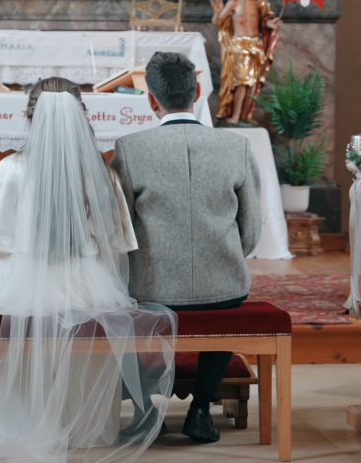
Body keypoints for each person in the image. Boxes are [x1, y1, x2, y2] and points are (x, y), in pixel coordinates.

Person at [0, 77, 177, 461]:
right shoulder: (105, 174)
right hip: (91, 283)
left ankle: (16, 419)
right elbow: (121, 243)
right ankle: (87, 425)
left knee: (1, 314)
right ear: (83, 117)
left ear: (29, 116)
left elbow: (1, 242)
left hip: (21, 279)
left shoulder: (11, 169)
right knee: (90, 319)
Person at [112, 52, 261, 443]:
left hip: (151, 292)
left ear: (150, 99)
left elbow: (121, 231)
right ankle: (200, 410)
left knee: (116, 304)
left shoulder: (129, 149)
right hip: (225, 287)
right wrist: (222, 257)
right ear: (197, 92)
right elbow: (251, 231)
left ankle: (147, 413)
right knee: (225, 301)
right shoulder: (236, 146)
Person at [211, 0, 281, 125]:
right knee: (242, 82)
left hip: (255, 45)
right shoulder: (234, 2)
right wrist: (217, 11)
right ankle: (235, 115)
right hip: (239, 46)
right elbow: (218, 22)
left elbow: (264, 20)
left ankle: (246, 115)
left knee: (253, 84)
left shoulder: (258, 2)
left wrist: (270, 25)